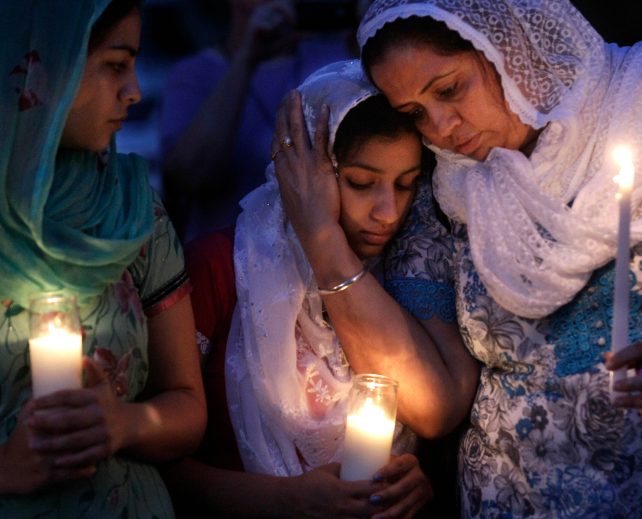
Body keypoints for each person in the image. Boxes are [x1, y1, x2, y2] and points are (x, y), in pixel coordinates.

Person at [274, 0, 642, 516]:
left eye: (449, 89)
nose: (441, 127)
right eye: (415, 114)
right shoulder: (446, 188)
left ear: (508, 41)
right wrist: (321, 240)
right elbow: (434, 401)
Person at [162, 60, 474, 518]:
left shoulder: (403, 273)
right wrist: (287, 500)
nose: (388, 211)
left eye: (406, 184)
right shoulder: (221, 268)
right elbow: (158, 468)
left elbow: (431, 419)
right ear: (302, 172)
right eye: (361, 183)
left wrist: (413, 484)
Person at [0, 1, 206, 517]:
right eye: (115, 64)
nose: (133, 91)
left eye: (135, 66)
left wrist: (123, 424)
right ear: (42, 62)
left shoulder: (132, 212)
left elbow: (186, 405)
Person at [159, 0, 354, 242]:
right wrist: (247, 57)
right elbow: (188, 176)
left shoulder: (334, 57)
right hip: (226, 262)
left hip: (319, 254)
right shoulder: (194, 74)